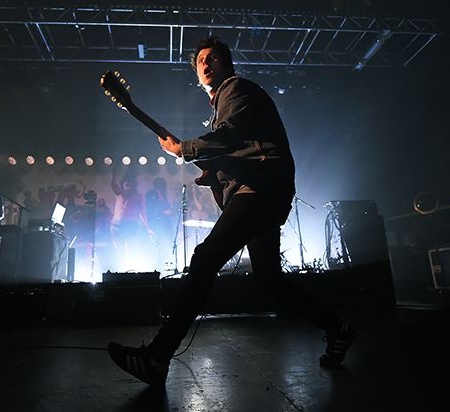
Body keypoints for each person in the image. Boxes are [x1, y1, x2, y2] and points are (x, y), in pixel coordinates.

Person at [107, 36, 357, 386]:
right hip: (264, 190)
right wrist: (207, 171)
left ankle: (157, 358)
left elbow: (228, 136)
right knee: (269, 280)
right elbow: (229, 150)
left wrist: (186, 148)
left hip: (262, 187)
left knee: (206, 258)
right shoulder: (222, 104)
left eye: (213, 59)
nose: (206, 64)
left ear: (226, 65)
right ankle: (337, 328)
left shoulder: (235, 88)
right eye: (200, 62)